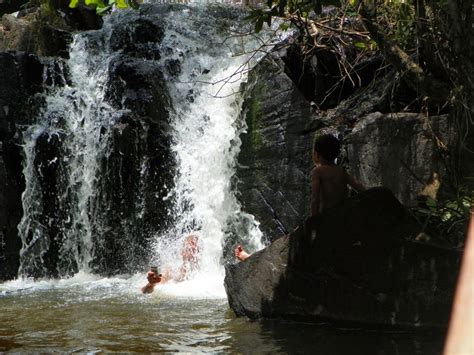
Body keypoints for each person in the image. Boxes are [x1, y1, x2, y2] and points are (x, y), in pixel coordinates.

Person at [235, 133, 365, 262]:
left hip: (325, 218)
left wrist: (314, 221)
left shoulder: (318, 172)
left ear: (316, 154)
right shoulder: (341, 171)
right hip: (342, 218)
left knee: (293, 247)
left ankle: (250, 258)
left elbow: (315, 198)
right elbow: (358, 187)